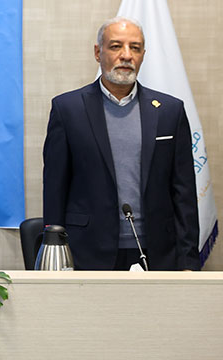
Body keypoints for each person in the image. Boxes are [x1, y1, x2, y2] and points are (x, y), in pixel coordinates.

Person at [42, 17, 199, 270]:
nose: (126, 55)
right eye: (116, 46)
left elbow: (184, 193)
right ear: (98, 52)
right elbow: (55, 187)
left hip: (159, 252)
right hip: (86, 252)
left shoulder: (170, 111)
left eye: (135, 48)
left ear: (143, 55)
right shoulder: (68, 109)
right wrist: (55, 252)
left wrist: (188, 260)